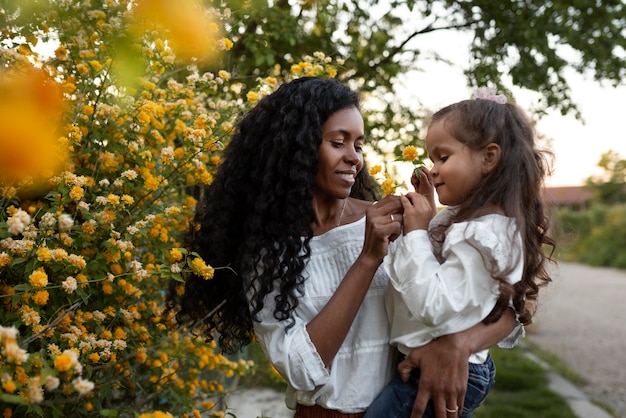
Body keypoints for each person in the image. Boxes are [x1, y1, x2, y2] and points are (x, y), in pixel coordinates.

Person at [167, 78, 521, 418]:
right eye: (339, 142)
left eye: (359, 145)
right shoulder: (269, 255)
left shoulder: (396, 223)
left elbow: (509, 305)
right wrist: (367, 259)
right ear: (299, 150)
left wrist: (459, 345)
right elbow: (299, 370)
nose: (355, 158)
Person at [364, 88, 555, 418]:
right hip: (440, 361)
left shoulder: (483, 233)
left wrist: (418, 232)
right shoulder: (474, 221)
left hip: (438, 369)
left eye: (443, 157)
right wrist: (431, 214)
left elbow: (435, 304)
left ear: (488, 157)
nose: (433, 169)